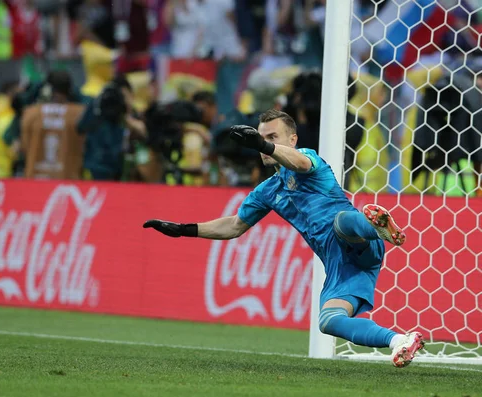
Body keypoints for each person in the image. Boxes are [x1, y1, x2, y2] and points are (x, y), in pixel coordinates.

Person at [143, 109, 425, 368]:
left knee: (341, 222)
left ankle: (374, 225)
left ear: (292, 139)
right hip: (342, 266)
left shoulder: (309, 159)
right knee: (329, 321)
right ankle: (400, 340)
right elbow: (234, 226)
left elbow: (300, 163)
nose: (261, 143)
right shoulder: (268, 190)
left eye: (271, 137)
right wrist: (184, 230)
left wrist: (264, 146)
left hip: (358, 238)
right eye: (259, 136)